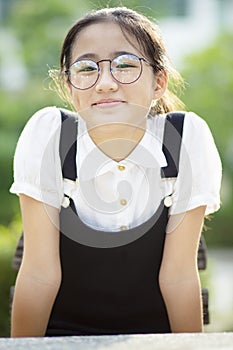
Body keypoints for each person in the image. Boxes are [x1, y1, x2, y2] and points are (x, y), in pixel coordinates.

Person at [10, 7, 222, 337]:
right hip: (62, 336)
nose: (105, 83)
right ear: (69, 87)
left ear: (158, 82)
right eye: (86, 68)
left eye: (125, 65)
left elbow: (178, 275)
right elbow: (40, 273)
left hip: (156, 338)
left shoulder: (185, 139)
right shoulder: (48, 134)